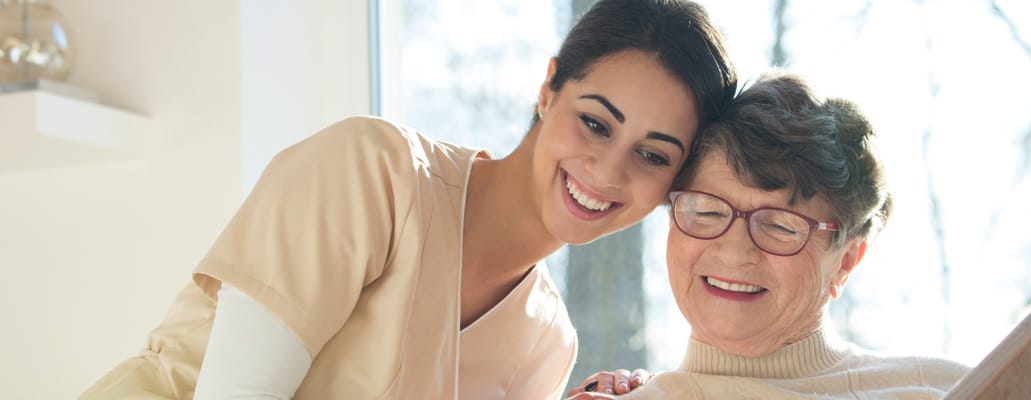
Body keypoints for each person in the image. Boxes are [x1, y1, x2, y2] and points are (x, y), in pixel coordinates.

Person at [79, 1, 737, 399]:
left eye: (653, 154)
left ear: (670, 188)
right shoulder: (373, 173)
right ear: (549, 89)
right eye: (595, 122)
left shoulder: (546, 343)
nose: (607, 169)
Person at [565, 72, 969, 399]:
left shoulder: (957, 388)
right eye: (706, 211)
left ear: (845, 260)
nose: (735, 251)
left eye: (780, 226)